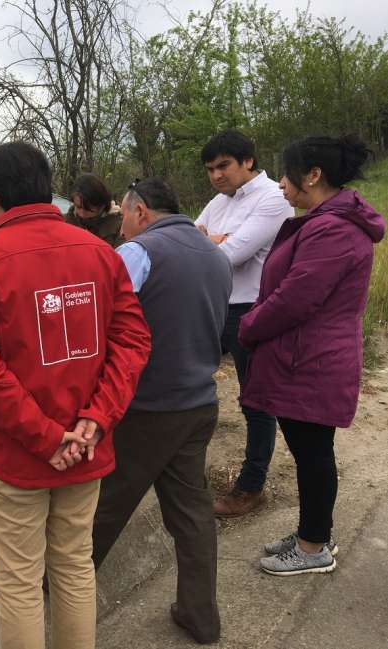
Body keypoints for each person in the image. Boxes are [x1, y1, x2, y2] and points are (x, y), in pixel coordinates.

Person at [0, 141, 151, 649]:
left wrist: (47, 437)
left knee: (19, 583)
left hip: (15, 455)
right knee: (74, 566)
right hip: (85, 448)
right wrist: (96, 420)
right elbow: (132, 342)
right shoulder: (101, 253)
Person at [91, 178, 232, 644]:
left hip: (147, 407)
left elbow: (100, 321)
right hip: (199, 402)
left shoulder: (139, 252)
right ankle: (200, 615)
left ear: (141, 211)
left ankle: (57, 588)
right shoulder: (216, 255)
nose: (122, 228)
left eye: (124, 215)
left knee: (104, 505)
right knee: (192, 514)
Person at [240, 135, 384, 576]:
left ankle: (312, 547)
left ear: (313, 175)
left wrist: (249, 326)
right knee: (311, 452)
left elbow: (295, 299)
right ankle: (314, 532)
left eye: (286, 175)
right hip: (307, 356)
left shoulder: (333, 230)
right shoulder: (328, 222)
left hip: (312, 361)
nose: (281, 185)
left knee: (313, 453)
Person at [195, 130, 294, 517]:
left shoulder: (272, 198)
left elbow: (230, 255)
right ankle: (185, 469)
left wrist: (215, 242)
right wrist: (215, 240)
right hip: (214, 304)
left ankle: (251, 487)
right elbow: (190, 240)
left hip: (252, 307)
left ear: (248, 161)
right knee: (188, 380)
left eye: (223, 166)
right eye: (210, 169)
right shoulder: (219, 201)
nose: (216, 175)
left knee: (255, 399)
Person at [64, 172, 123, 247]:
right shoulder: (65, 220)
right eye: (78, 207)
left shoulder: (119, 226)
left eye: (88, 210)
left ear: (102, 206)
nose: (82, 214)